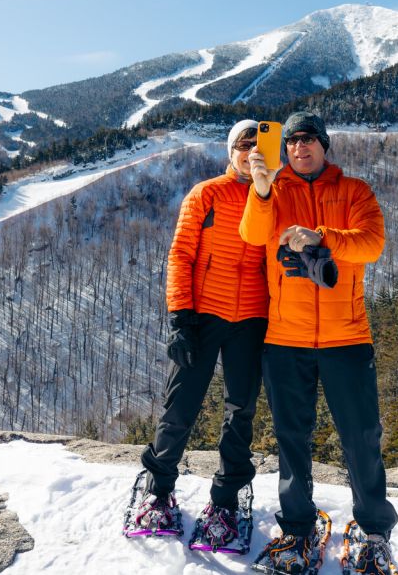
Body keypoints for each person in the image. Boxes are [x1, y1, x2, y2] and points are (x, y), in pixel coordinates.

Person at [241, 111, 398, 575]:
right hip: (285, 338)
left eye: (308, 139)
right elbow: (252, 235)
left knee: (361, 436)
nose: (299, 147)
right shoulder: (273, 191)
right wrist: (262, 188)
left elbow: (371, 244)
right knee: (292, 439)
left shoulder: (354, 191)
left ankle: (373, 531)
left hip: (346, 336)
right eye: (291, 141)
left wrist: (322, 237)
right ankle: (296, 528)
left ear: (324, 145)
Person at [127, 119, 269, 546]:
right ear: (231, 151)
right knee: (181, 404)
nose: (250, 153)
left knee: (240, 411)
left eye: (258, 146)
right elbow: (180, 256)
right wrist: (179, 318)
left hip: (253, 319)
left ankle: (225, 501)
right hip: (204, 316)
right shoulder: (206, 194)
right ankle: (159, 492)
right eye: (243, 145)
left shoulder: (274, 197)